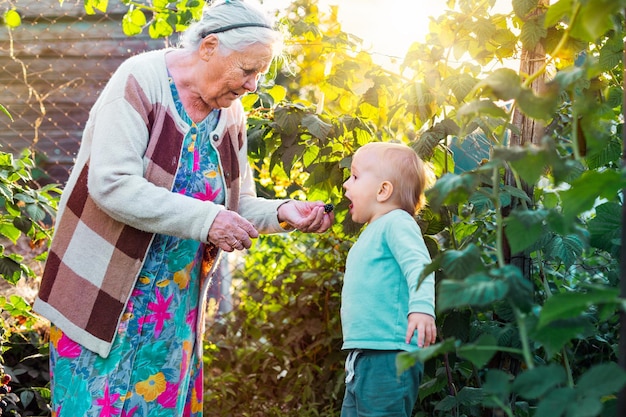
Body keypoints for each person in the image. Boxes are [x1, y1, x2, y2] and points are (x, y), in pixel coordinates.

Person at [32, 1, 333, 415]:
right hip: (104, 305)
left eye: (260, 74)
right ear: (209, 47)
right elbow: (112, 184)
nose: (253, 85)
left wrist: (283, 212)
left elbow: (236, 201)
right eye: (247, 70)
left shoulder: (230, 114)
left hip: (171, 314)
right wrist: (207, 220)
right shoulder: (140, 81)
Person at [340, 141, 436, 417]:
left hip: (390, 353)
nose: (347, 184)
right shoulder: (374, 230)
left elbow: (419, 265)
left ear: (383, 190)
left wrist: (421, 308)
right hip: (365, 353)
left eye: (355, 177)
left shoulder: (397, 222)